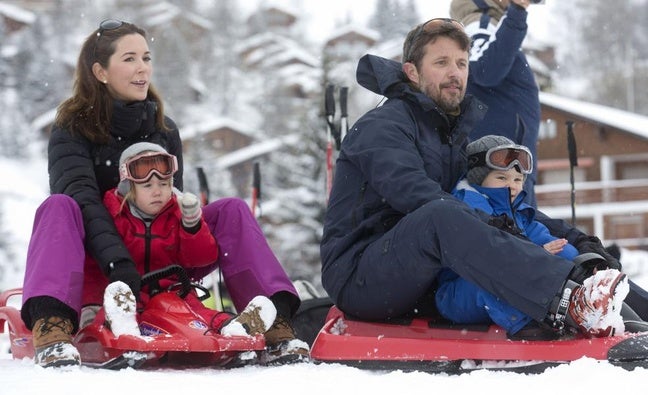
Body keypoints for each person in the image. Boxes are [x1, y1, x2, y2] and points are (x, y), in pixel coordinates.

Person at [320, 18, 630, 344]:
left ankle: (632, 313)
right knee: (441, 215)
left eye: (462, 63)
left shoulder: (448, 137)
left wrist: (580, 242)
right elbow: (414, 194)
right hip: (361, 279)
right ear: (412, 72)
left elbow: (500, 202)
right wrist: (497, 228)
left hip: (424, 279)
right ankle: (566, 299)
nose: (455, 73)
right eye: (441, 62)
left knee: (572, 252)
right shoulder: (384, 126)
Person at [21, 19, 307, 368]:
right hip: (99, 256)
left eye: (146, 57)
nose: (142, 68)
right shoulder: (72, 129)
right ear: (100, 71)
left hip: (156, 252)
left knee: (231, 209)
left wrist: (188, 229)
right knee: (58, 207)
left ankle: (275, 324)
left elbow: (169, 202)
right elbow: (82, 199)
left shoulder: (163, 129)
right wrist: (117, 262)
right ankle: (53, 328)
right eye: (129, 59)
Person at [80, 142, 277, 341]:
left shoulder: (177, 212)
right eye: (148, 186)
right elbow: (94, 264)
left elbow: (202, 258)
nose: (157, 192)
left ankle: (236, 327)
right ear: (128, 188)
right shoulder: (113, 215)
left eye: (164, 185)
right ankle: (120, 327)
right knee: (113, 310)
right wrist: (90, 304)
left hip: (172, 293)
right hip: (129, 295)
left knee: (198, 315)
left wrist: (192, 225)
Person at [435, 135, 583, 339]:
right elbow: (484, 258)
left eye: (517, 179)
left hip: (509, 281)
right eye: (501, 178)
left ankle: (582, 305)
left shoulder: (517, 210)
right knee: (497, 279)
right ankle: (530, 324)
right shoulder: (467, 207)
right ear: (479, 179)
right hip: (461, 292)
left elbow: (541, 236)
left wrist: (575, 262)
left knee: (565, 256)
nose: (512, 186)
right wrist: (536, 256)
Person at [449, 0, 540, 207]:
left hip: (504, 163)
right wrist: (517, 11)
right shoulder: (482, 24)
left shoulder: (487, 25)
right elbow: (486, 71)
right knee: (513, 231)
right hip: (502, 164)